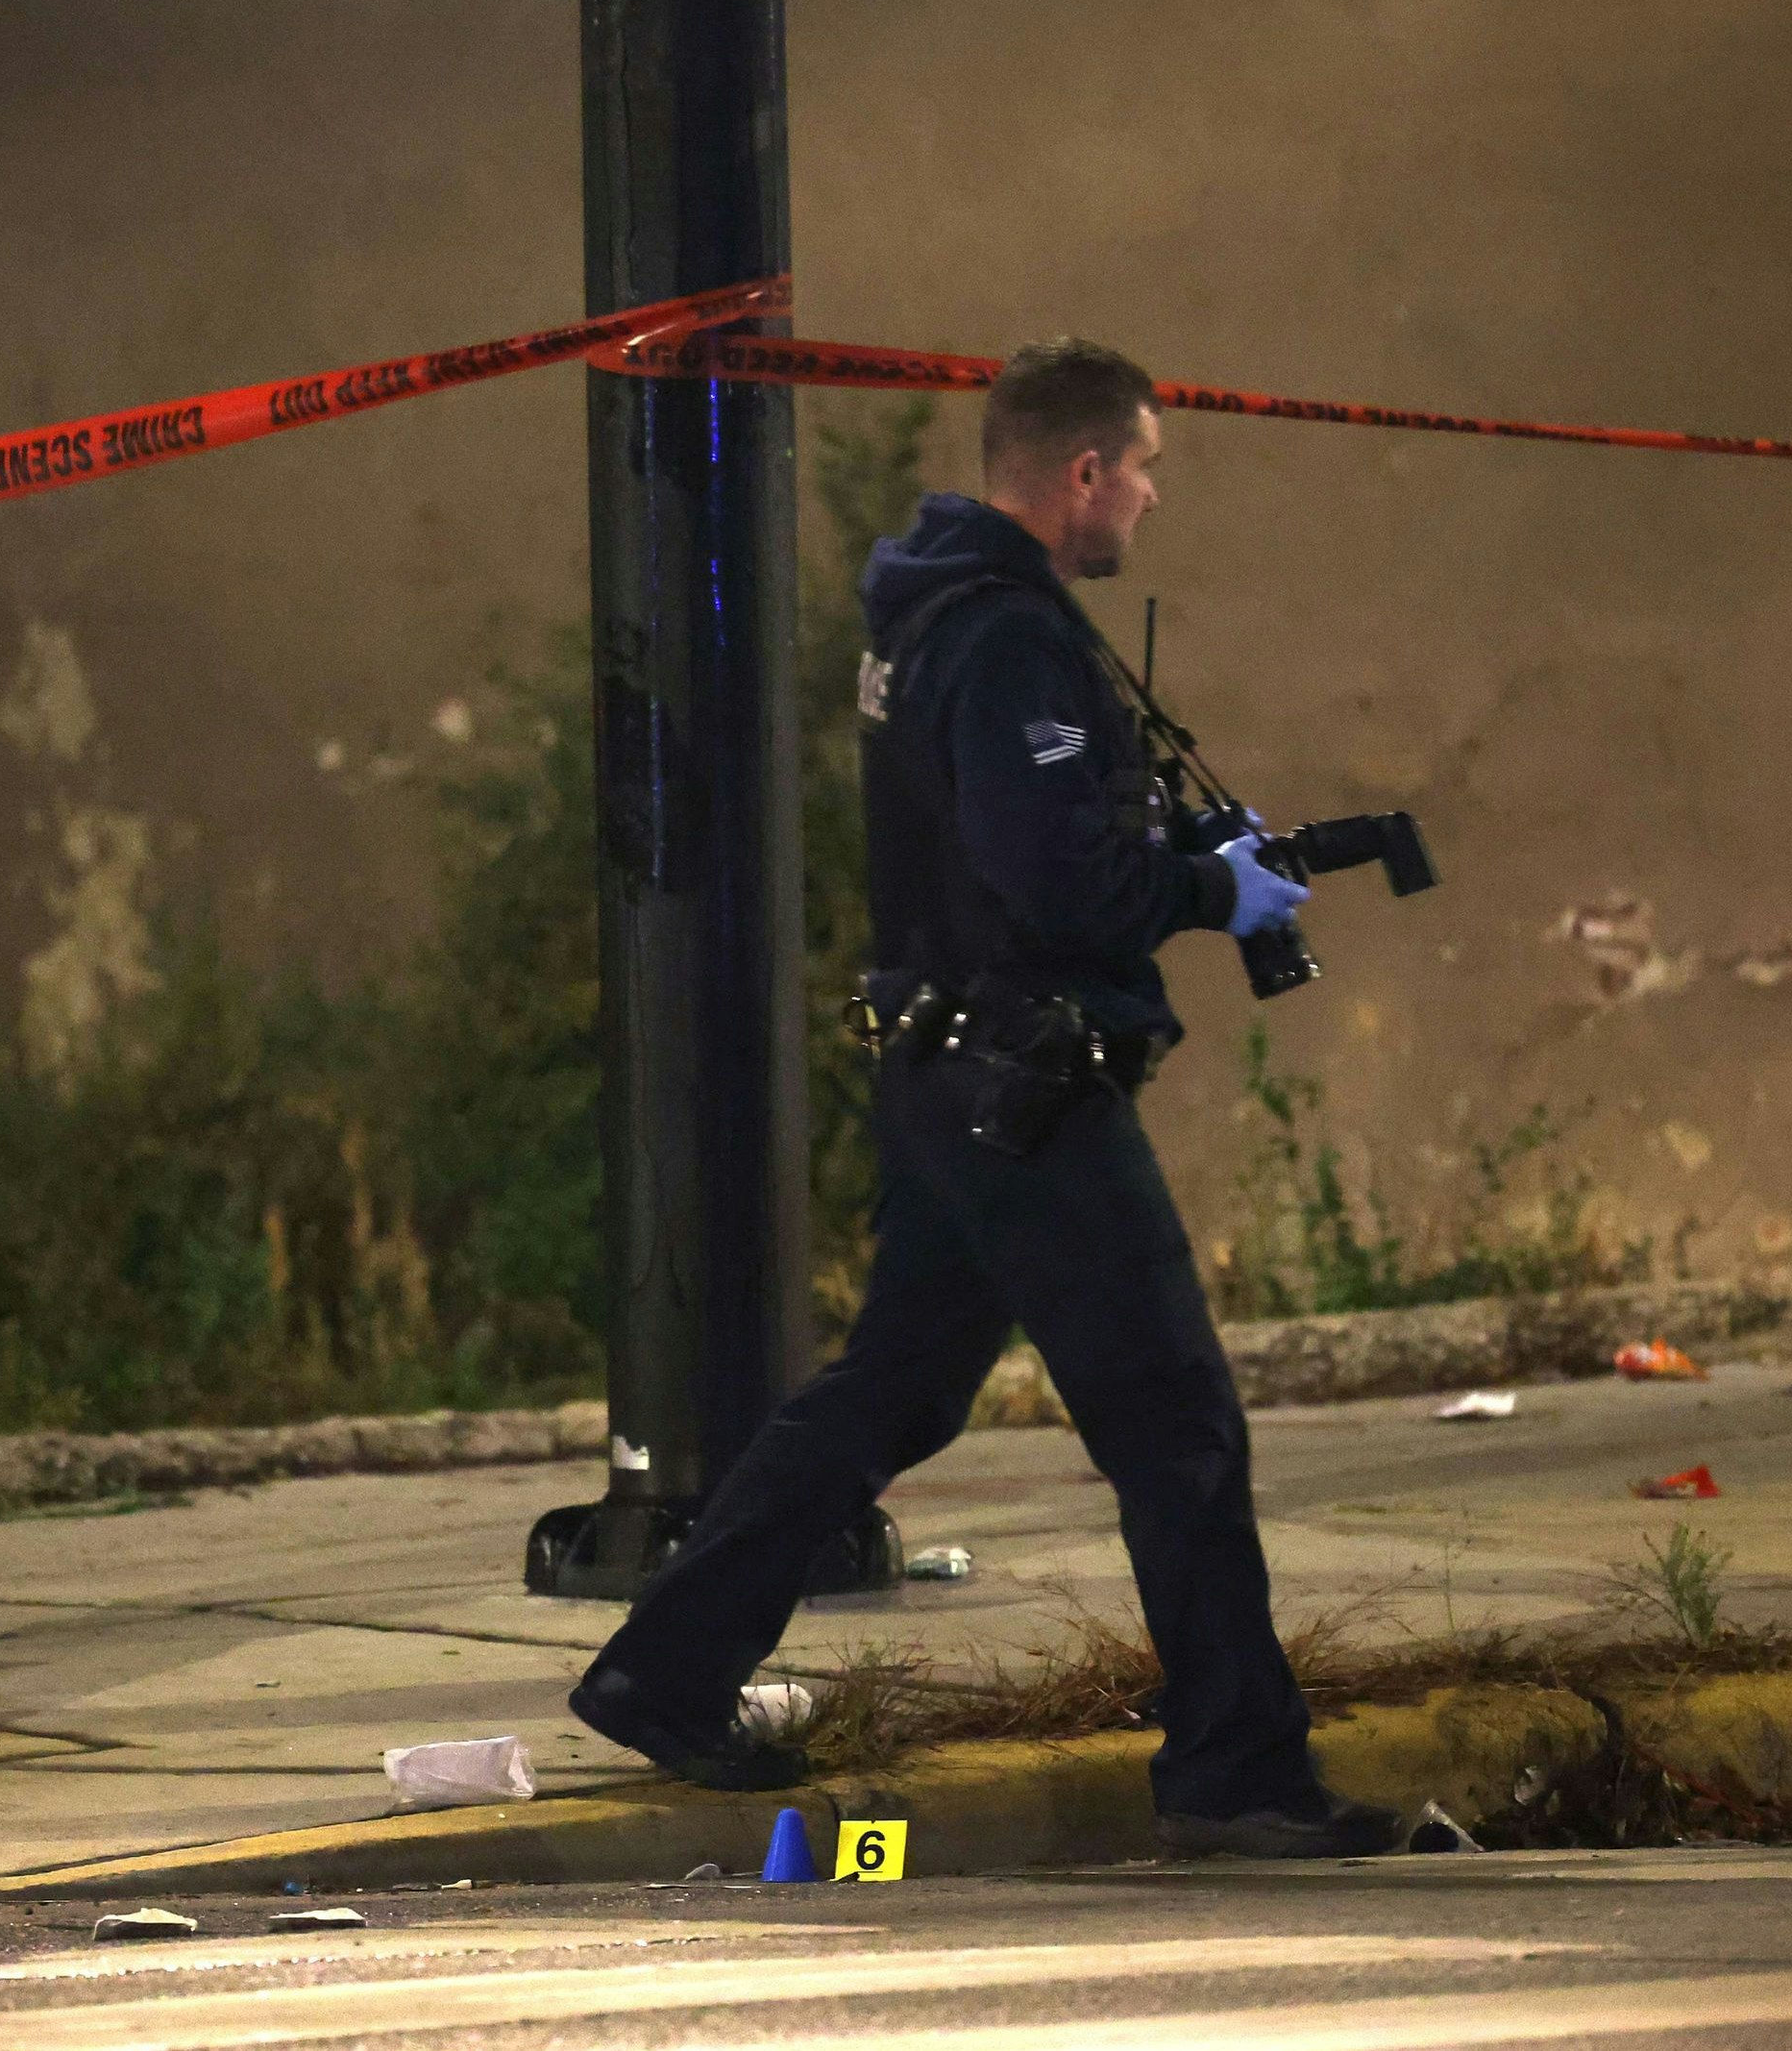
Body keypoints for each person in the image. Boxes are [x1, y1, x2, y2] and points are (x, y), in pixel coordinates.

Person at [569, 337, 1402, 1860]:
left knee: (894, 1386)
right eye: (1142, 468)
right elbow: (1059, 879)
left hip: (949, 1072)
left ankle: (660, 1670)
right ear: (1082, 471)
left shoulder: (929, 617)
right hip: (1032, 1089)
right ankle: (1237, 1772)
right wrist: (1212, 887)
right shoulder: (1011, 640)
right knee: (1179, 1428)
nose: (1147, 499)